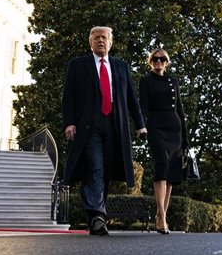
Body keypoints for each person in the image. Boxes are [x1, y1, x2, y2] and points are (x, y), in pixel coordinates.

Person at [62, 26, 147, 236]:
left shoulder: (120, 66)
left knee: (106, 170)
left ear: (111, 42)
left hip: (115, 125)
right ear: (90, 42)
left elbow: (131, 98)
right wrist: (69, 123)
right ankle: (98, 216)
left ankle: (95, 217)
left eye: (104, 37)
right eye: (96, 37)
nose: (101, 40)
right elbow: (68, 97)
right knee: (94, 167)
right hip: (88, 126)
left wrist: (141, 124)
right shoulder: (78, 65)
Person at [139, 49, 188, 235]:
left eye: (162, 59)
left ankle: (162, 216)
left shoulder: (173, 81)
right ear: (150, 62)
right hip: (156, 128)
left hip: (174, 129)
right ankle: (161, 216)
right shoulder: (145, 80)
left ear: (167, 62)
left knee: (171, 173)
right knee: (162, 166)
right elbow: (143, 105)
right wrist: (141, 125)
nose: (159, 62)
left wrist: (186, 139)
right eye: (155, 59)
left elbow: (181, 110)